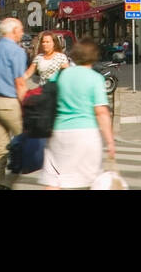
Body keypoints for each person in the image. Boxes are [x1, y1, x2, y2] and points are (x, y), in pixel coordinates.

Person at [39, 38, 115, 190]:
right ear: (94, 57)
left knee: (55, 180)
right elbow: (101, 112)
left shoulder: (61, 75)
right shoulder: (96, 79)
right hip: (85, 135)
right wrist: (110, 141)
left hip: (58, 132)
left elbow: (46, 95)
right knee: (92, 181)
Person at [0, 17, 28, 190]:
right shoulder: (16, 51)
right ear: (14, 31)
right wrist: (26, 107)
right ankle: (8, 182)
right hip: (9, 104)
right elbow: (20, 83)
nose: (22, 33)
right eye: (21, 29)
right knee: (28, 144)